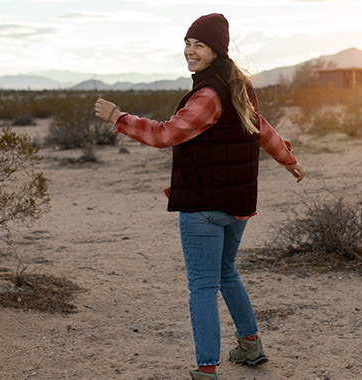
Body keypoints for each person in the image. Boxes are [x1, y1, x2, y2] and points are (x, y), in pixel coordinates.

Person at [94, 13, 305, 380]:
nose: (190, 52)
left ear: (216, 51)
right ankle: (250, 346)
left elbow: (165, 134)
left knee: (203, 287)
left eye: (199, 46)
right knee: (225, 273)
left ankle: (207, 369)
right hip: (237, 206)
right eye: (187, 44)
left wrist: (118, 117)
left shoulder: (208, 94)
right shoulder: (238, 87)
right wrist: (287, 159)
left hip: (203, 206)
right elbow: (263, 128)